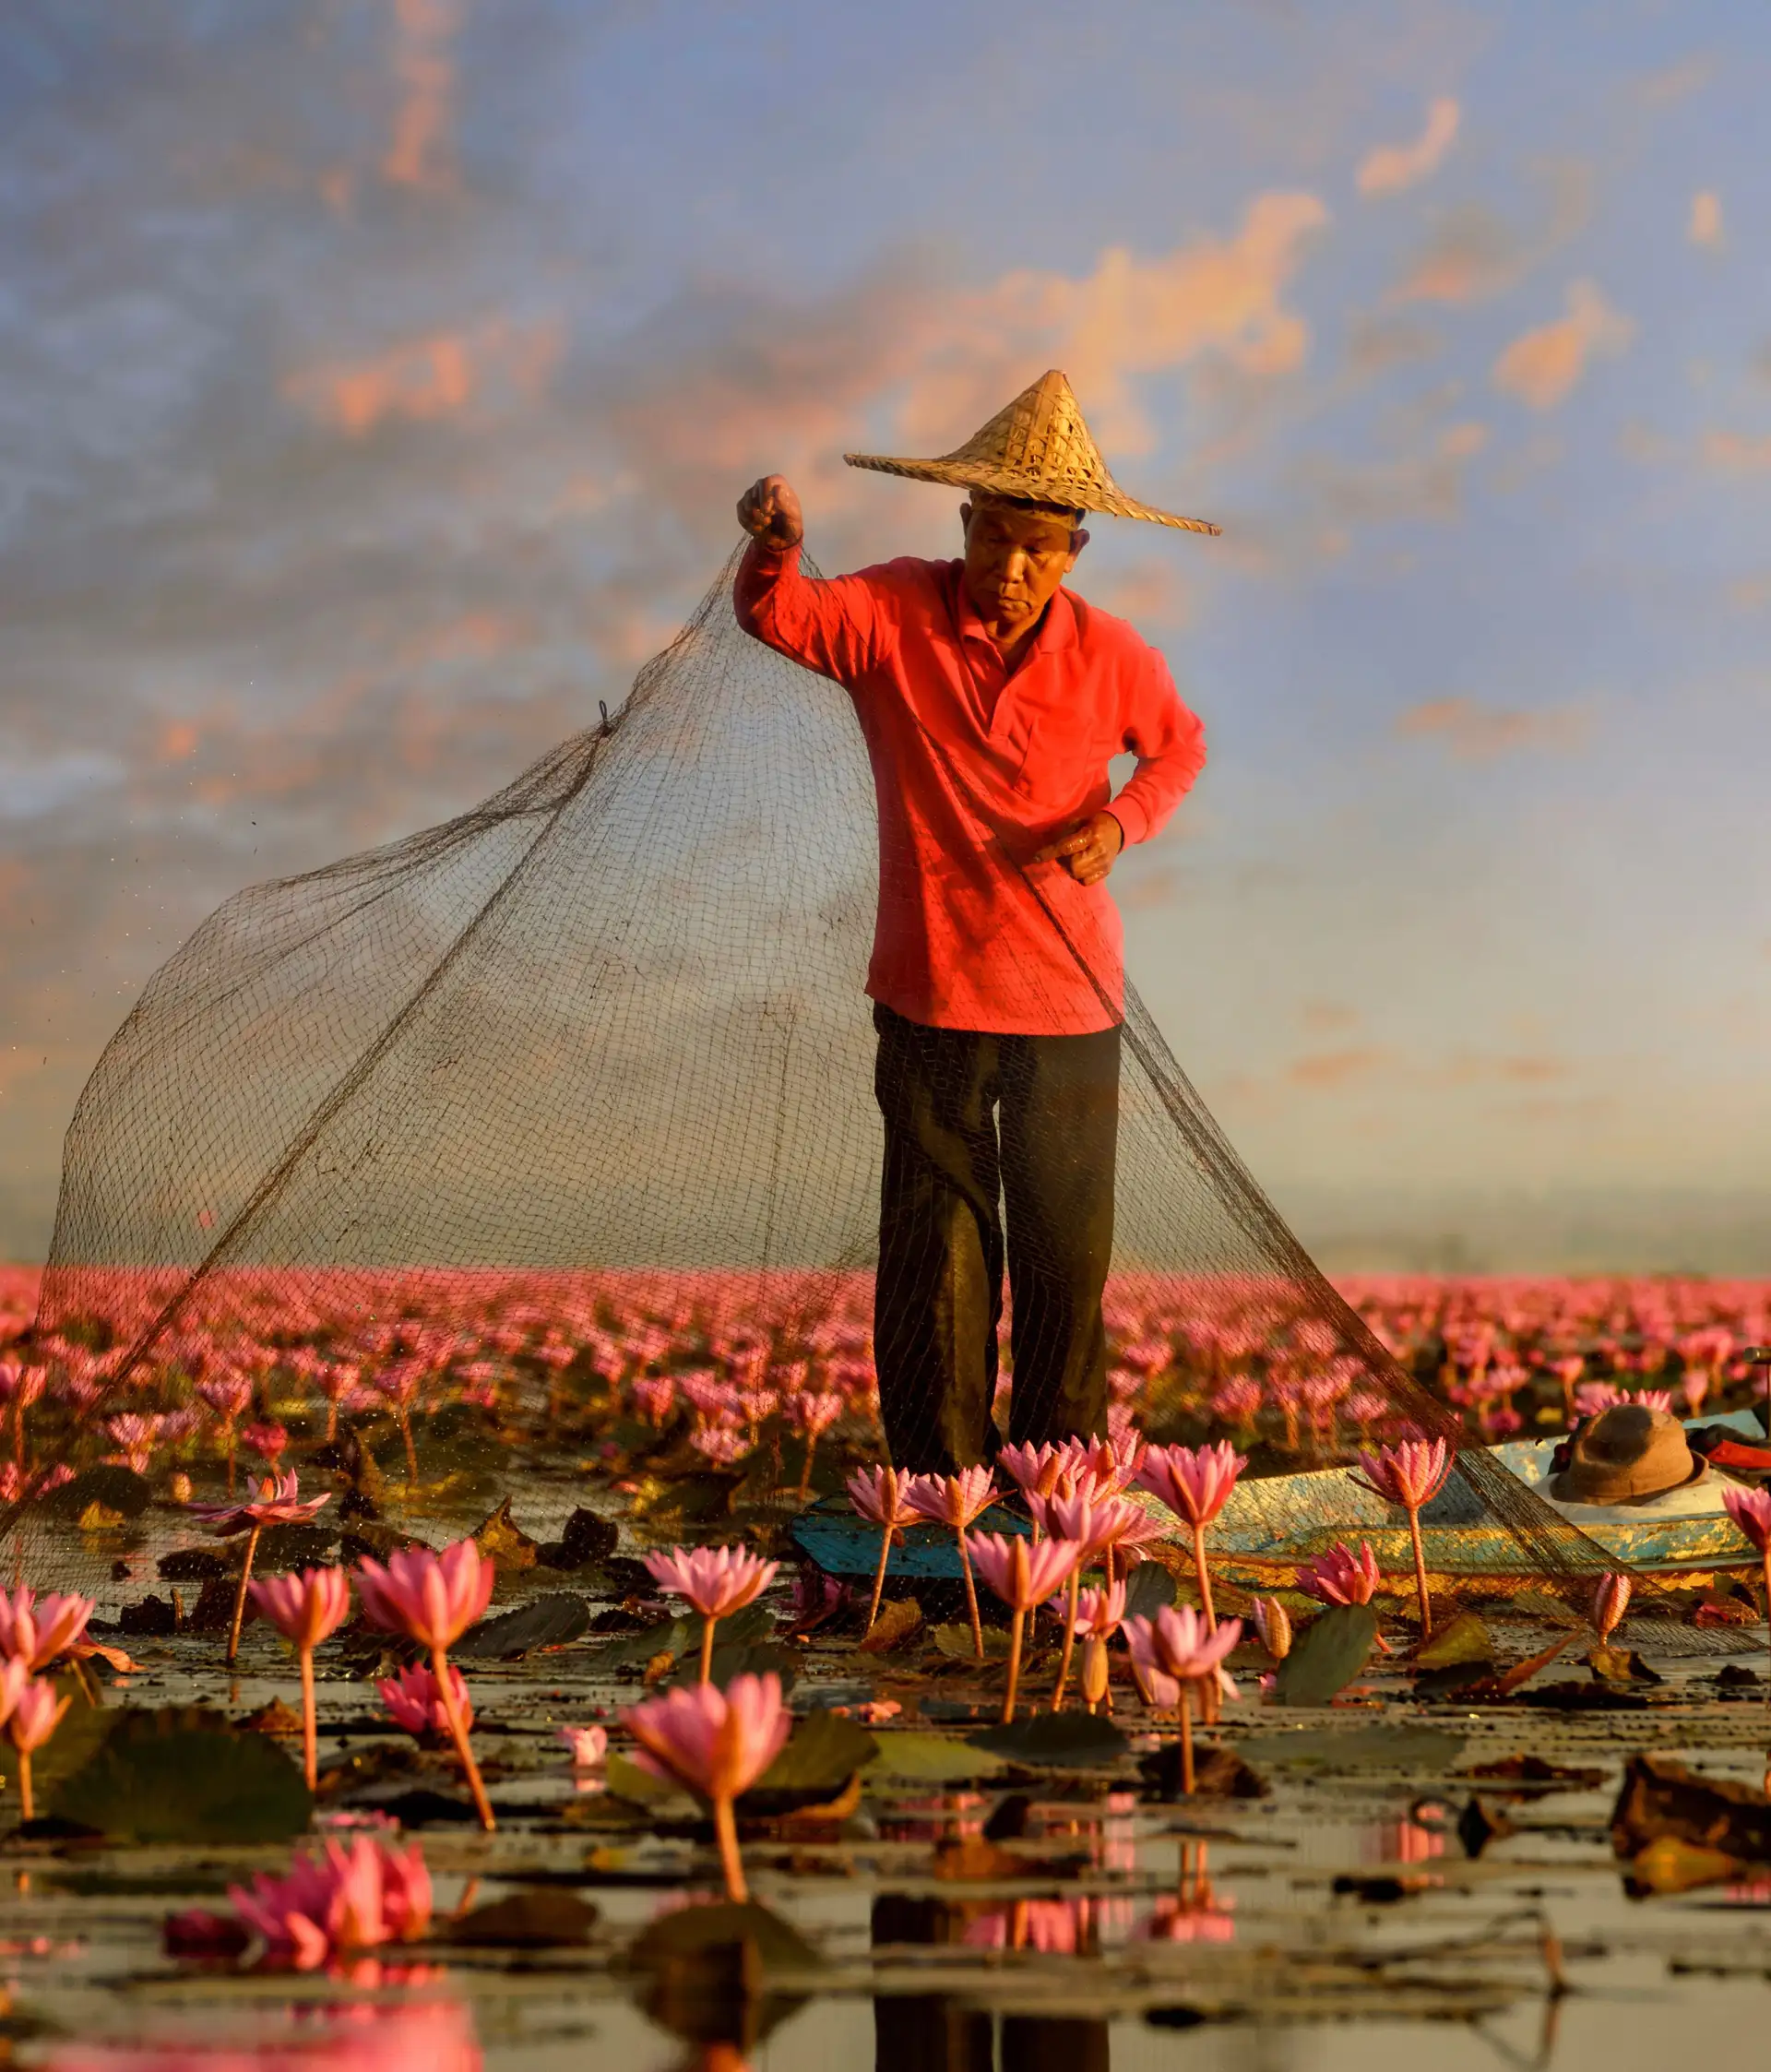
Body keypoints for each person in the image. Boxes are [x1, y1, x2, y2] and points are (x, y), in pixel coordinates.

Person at [734, 370, 1214, 1476]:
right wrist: (777, 547)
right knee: (937, 1245)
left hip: (1070, 999)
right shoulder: (893, 610)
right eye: (995, 537)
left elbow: (1180, 747)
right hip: (930, 993)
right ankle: (939, 1479)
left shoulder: (1114, 655)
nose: (1012, 568)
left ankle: (1055, 1481)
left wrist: (1122, 823)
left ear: (1074, 552)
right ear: (964, 523)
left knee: (1063, 1252)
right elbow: (780, 614)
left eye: (1039, 548)